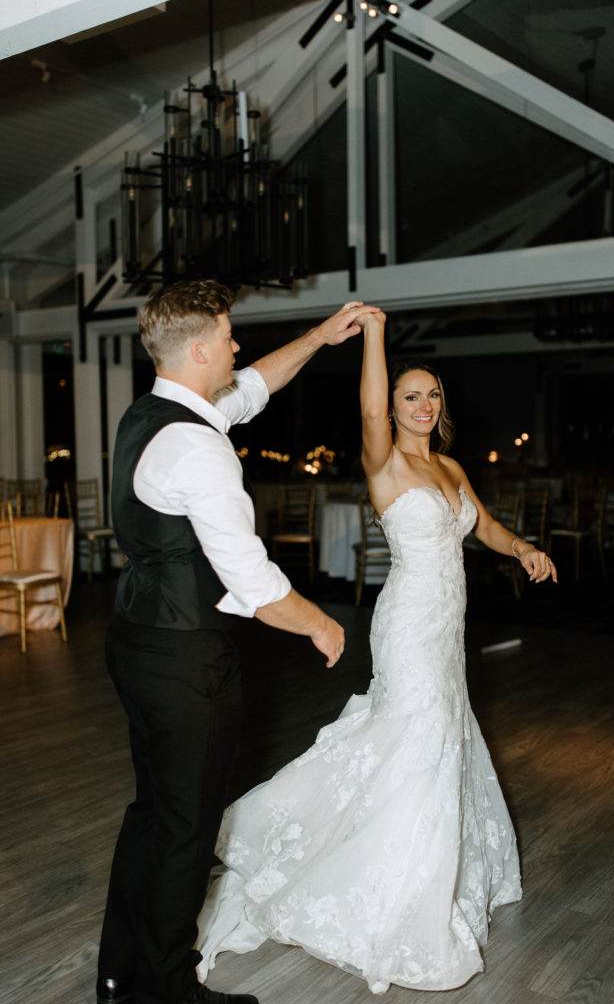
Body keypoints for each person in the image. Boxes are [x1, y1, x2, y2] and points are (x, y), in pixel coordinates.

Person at [194, 311, 557, 993]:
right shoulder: (384, 461)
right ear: (392, 408)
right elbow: (366, 402)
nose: (423, 405)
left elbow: (486, 529)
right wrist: (375, 336)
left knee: (439, 734)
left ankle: (425, 868)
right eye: (409, 396)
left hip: (447, 629)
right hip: (407, 625)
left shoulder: (449, 467)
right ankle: (394, 891)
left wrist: (524, 549)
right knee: (417, 736)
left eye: (432, 395)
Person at [97, 280, 383, 1004]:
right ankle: (164, 989)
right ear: (198, 349)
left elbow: (253, 387)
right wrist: (321, 621)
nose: (235, 346)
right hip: (185, 656)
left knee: (152, 813)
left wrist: (322, 337)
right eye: (226, 336)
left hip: (137, 637)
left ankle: (120, 975)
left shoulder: (154, 415)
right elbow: (252, 581)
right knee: (188, 826)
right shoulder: (197, 447)